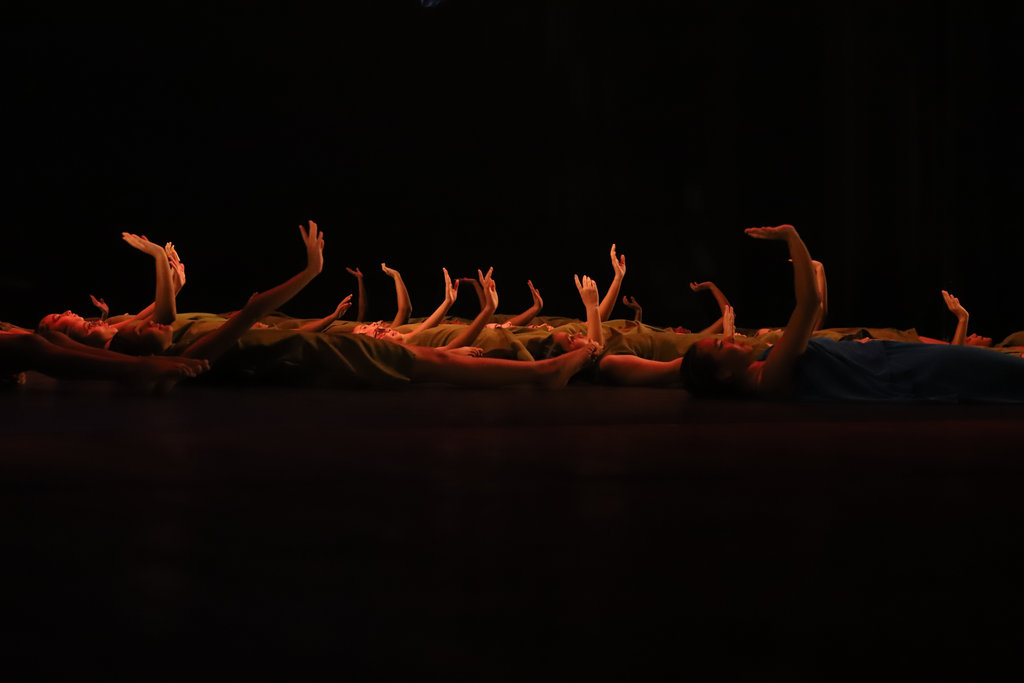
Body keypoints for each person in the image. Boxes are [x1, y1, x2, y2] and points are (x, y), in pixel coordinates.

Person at [680, 225, 1024, 402]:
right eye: (722, 346)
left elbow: (815, 310)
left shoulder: (763, 366)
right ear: (724, 374)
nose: (729, 340)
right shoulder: (768, 378)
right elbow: (808, 307)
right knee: (996, 374)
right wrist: (792, 238)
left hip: (891, 360)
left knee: (995, 374)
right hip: (896, 372)